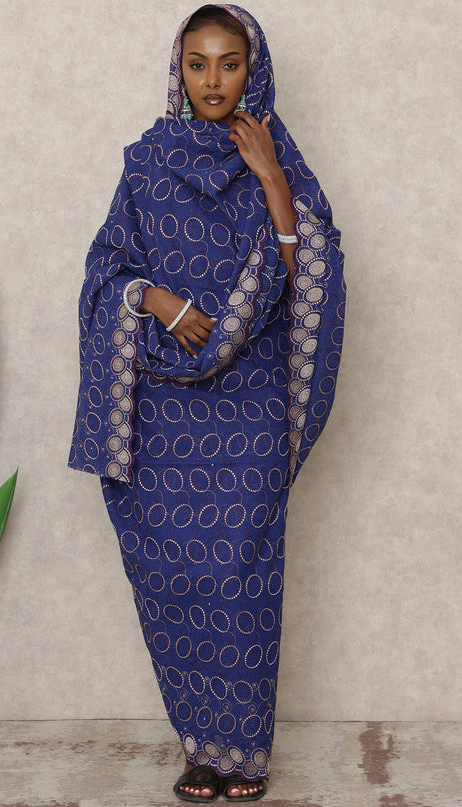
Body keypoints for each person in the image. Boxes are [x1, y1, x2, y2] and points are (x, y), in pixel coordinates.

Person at [69, 4, 345, 802]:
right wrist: (154, 299)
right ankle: (199, 747)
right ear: (178, 70)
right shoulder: (147, 162)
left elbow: (311, 268)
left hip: (249, 400)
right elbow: (104, 268)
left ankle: (244, 753)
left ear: (251, 70)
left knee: (240, 575)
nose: (212, 81)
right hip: (163, 406)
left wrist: (271, 179)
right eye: (197, 64)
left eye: (229, 63)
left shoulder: (277, 153)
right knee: (175, 577)